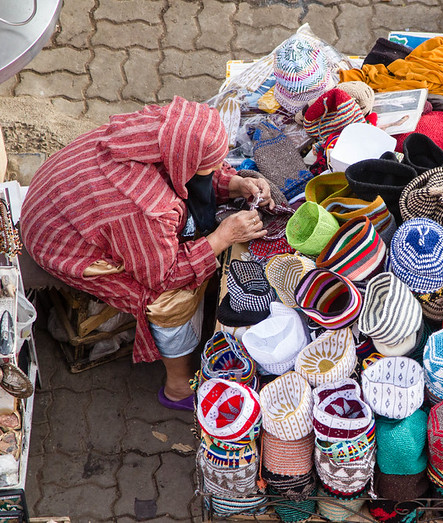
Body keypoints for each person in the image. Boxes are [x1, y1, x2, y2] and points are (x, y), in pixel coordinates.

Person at [20, 96, 274, 410]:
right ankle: (178, 388)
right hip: (58, 239)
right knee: (170, 297)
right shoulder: (146, 208)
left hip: (60, 198)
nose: (212, 174)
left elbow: (195, 170)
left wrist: (235, 183)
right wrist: (223, 237)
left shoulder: (155, 132)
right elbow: (163, 276)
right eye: (207, 172)